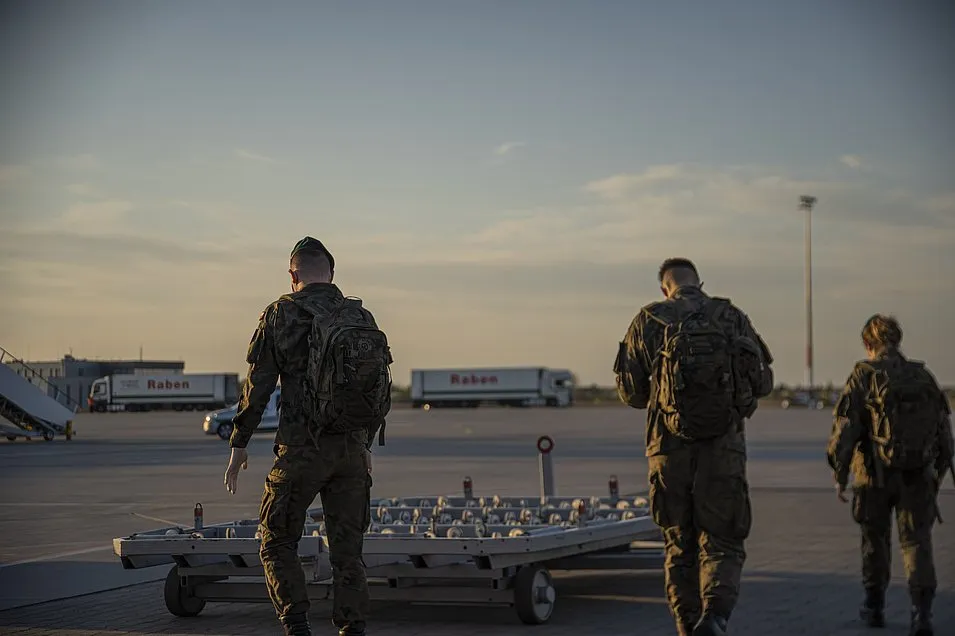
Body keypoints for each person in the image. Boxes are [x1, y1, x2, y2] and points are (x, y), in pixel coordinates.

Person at [224, 236, 393, 636]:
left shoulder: (281, 315)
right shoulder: (361, 317)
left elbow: (258, 387)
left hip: (301, 450)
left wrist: (239, 444)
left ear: (292, 273)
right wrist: (364, 443)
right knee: (348, 551)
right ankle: (352, 628)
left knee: (277, 538)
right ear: (331, 272)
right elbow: (374, 387)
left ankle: (297, 625)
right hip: (351, 451)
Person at [613, 257, 774, 636]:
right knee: (723, 538)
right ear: (700, 283)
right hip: (724, 448)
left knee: (678, 542)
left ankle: (687, 626)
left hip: (667, 451)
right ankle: (715, 616)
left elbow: (632, 394)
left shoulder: (649, 320)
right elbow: (763, 383)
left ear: (664, 287)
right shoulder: (731, 315)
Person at [827, 314, 953, 636]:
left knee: (875, 542)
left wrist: (839, 472)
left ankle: (874, 606)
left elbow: (845, 429)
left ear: (869, 344)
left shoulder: (864, 373)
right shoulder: (923, 375)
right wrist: (936, 473)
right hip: (917, 476)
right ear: (897, 340)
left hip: (873, 477)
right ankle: (921, 612)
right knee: (917, 543)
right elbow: (943, 432)